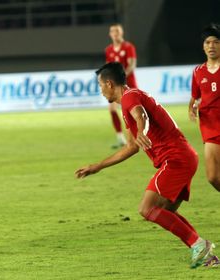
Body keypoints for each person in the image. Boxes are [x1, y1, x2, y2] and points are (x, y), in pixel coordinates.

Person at [75, 62, 218, 268]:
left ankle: (199, 245)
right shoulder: (130, 98)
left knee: (146, 208)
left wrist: (142, 129)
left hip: (175, 159)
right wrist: (98, 166)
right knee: (164, 210)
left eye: (100, 85)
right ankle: (204, 253)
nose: (100, 90)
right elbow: (132, 147)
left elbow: (140, 114)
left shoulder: (129, 97)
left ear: (108, 83)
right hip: (183, 157)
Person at [189, 23, 220, 192]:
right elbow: (195, 97)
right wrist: (192, 107)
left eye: (215, 42)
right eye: (207, 42)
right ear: (203, 46)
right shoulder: (198, 71)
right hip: (209, 128)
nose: (211, 46)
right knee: (213, 177)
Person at [105, 24, 138, 149]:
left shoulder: (128, 47)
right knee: (112, 109)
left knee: (132, 111)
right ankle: (120, 138)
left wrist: (121, 76)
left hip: (128, 84)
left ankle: (139, 136)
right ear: (110, 34)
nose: (115, 33)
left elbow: (132, 65)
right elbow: (108, 67)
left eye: (117, 31)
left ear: (121, 33)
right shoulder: (109, 50)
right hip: (115, 85)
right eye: (113, 31)